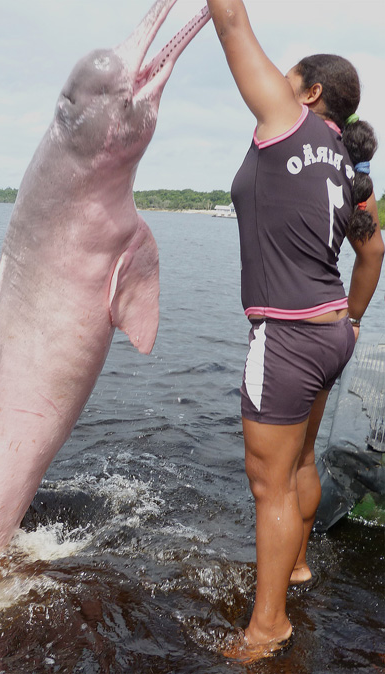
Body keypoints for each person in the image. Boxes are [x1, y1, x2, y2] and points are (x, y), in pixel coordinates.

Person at [205, 0, 384, 662]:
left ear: (310, 92)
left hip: (287, 333)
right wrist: (355, 320)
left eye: (287, 75)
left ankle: (268, 626)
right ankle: (299, 565)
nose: (274, 82)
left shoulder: (288, 122)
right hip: (331, 329)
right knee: (302, 459)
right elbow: (372, 253)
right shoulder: (348, 165)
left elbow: (230, 22)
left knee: (268, 483)